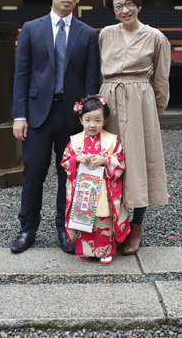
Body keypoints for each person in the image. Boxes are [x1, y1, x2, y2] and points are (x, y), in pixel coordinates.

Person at [11, 0, 99, 254]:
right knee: (34, 171)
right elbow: (21, 76)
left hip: (72, 115)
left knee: (69, 174)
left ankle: (65, 228)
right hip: (36, 113)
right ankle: (28, 228)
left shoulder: (87, 34)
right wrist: (19, 115)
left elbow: (90, 81)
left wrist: (89, 120)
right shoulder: (31, 29)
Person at [99, 0, 171, 255]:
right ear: (113, 9)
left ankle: (136, 225)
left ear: (138, 4)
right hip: (109, 101)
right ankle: (109, 224)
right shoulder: (105, 34)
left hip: (140, 102)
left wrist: (152, 113)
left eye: (129, 4)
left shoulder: (155, 37)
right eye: (119, 6)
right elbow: (98, 71)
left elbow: (161, 81)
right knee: (109, 162)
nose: (124, 10)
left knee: (139, 163)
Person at [61, 95, 130, 265]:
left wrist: (106, 161)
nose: (93, 125)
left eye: (98, 120)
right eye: (88, 120)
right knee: (84, 218)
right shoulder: (75, 141)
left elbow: (119, 163)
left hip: (103, 188)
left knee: (103, 219)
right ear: (81, 120)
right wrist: (77, 159)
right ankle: (86, 250)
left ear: (105, 121)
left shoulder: (111, 141)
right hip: (83, 188)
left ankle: (105, 250)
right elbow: (65, 161)